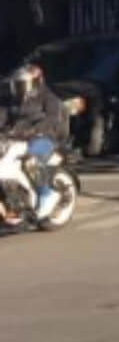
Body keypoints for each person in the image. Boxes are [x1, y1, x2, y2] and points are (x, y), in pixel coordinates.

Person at [2, 64, 69, 225]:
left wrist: (35, 130)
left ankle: (47, 194)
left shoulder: (48, 98)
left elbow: (53, 118)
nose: (18, 88)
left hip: (44, 138)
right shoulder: (13, 100)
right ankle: (11, 200)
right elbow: (2, 116)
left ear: (36, 82)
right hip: (17, 138)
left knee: (32, 161)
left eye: (22, 84)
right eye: (16, 84)